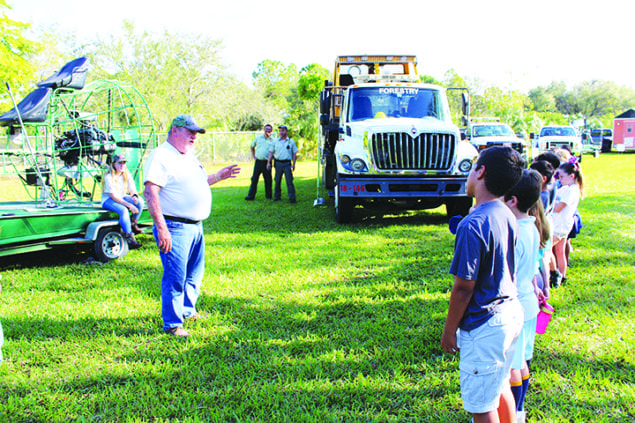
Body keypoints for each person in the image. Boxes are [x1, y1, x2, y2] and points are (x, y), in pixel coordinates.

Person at [441, 146, 525, 423]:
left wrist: (449, 331)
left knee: (481, 406)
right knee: (500, 386)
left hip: (485, 325)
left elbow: (464, 288)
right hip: (511, 314)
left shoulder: (472, 224)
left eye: (472, 166)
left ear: (482, 171)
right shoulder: (505, 212)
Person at [143, 115, 240, 338]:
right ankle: (173, 324)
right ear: (174, 130)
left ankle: (187, 310)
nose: (194, 136)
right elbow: (150, 191)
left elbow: (197, 182)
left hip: (195, 227)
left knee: (194, 274)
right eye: (190, 131)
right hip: (174, 226)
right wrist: (162, 228)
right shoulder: (161, 156)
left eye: (196, 133)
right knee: (175, 277)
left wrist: (218, 176)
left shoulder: (187, 156)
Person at [503, 169, 545, 423]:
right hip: (529, 305)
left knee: (512, 367)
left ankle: (516, 413)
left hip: (515, 306)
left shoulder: (514, 232)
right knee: (522, 360)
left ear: (512, 200)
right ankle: (519, 409)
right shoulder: (532, 227)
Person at [101, 153, 144, 249]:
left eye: (124, 163)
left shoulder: (126, 174)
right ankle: (129, 238)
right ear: (113, 164)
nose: (122, 165)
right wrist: (129, 205)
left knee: (140, 201)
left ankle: (133, 223)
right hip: (108, 200)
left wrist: (134, 196)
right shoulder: (109, 177)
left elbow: (132, 189)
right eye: (120, 163)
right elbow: (113, 196)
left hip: (122, 196)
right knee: (124, 210)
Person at [551, 161, 584, 285]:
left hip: (560, 226)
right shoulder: (566, 188)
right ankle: (562, 275)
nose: (560, 179)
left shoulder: (572, 191)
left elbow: (558, 207)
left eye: (562, 176)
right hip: (562, 224)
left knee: (547, 249)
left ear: (572, 176)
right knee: (560, 251)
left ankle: (555, 275)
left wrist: (547, 203)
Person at [267, 125, 298, 203]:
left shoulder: (291, 141)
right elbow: (271, 152)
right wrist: (268, 163)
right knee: (277, 181)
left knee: (289, 181)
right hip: (278, 163)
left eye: (283, 130)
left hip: (287, 164)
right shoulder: (275, 141)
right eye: (280, 130)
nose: (281, 132)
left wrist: (294, 164)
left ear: (286, 131)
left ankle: (292, 198)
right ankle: (277, 197)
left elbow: (294, 153)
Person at [245, 124, 274, 201]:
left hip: (267, 162)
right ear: (264, 130)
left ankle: (269, 196)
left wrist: (271, 161)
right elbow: (252, 146)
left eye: (269, 129)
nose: (267, 131)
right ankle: (251, 196)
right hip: (258, 162)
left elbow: (274, 151)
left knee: (268, 180)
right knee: (254, 179)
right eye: (266, 129)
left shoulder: (273, 140)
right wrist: (254, 156)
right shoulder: (258, 138)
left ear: (271, 131)